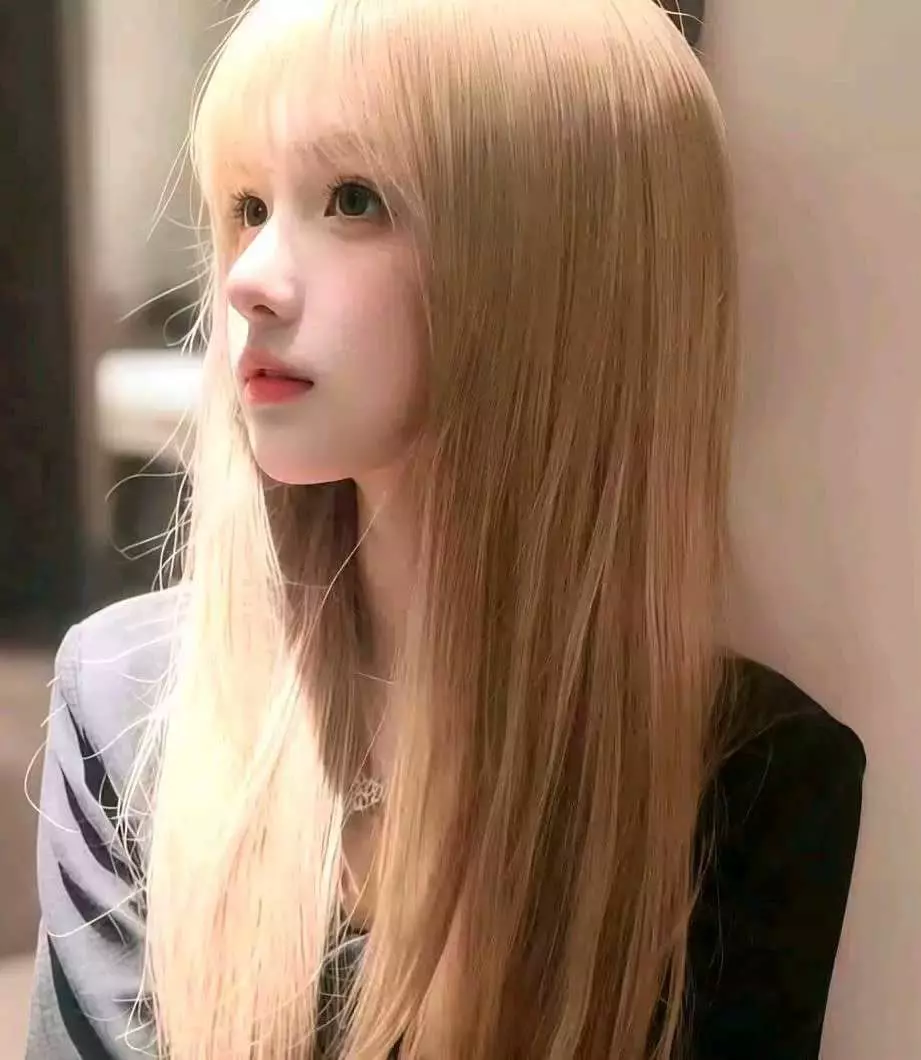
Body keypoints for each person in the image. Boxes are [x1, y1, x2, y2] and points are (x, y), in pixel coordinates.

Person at [26, 1, 866, 1057]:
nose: (247, 278)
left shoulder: (751, 782)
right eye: (247, 206)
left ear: (554, 261)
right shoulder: (128, 702)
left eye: (354, 199)